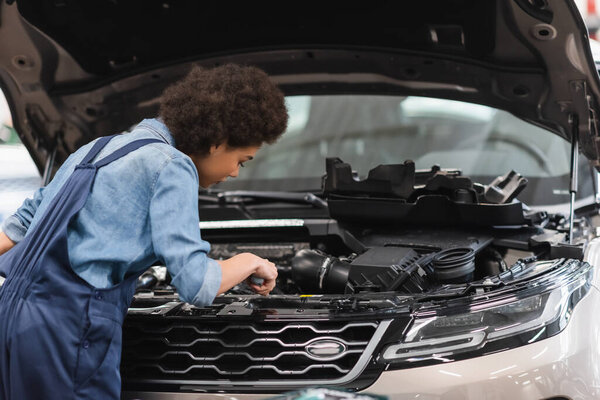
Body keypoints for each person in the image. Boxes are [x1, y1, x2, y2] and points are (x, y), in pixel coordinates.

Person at [0, 64, 289, 400]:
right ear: (218, 141)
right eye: (242, 159)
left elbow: (23, 223)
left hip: (14, 319)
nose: (236, 173)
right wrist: (249, 261)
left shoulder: (96, 149)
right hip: (69, 332)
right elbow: (196, 284)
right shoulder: (172, 165)